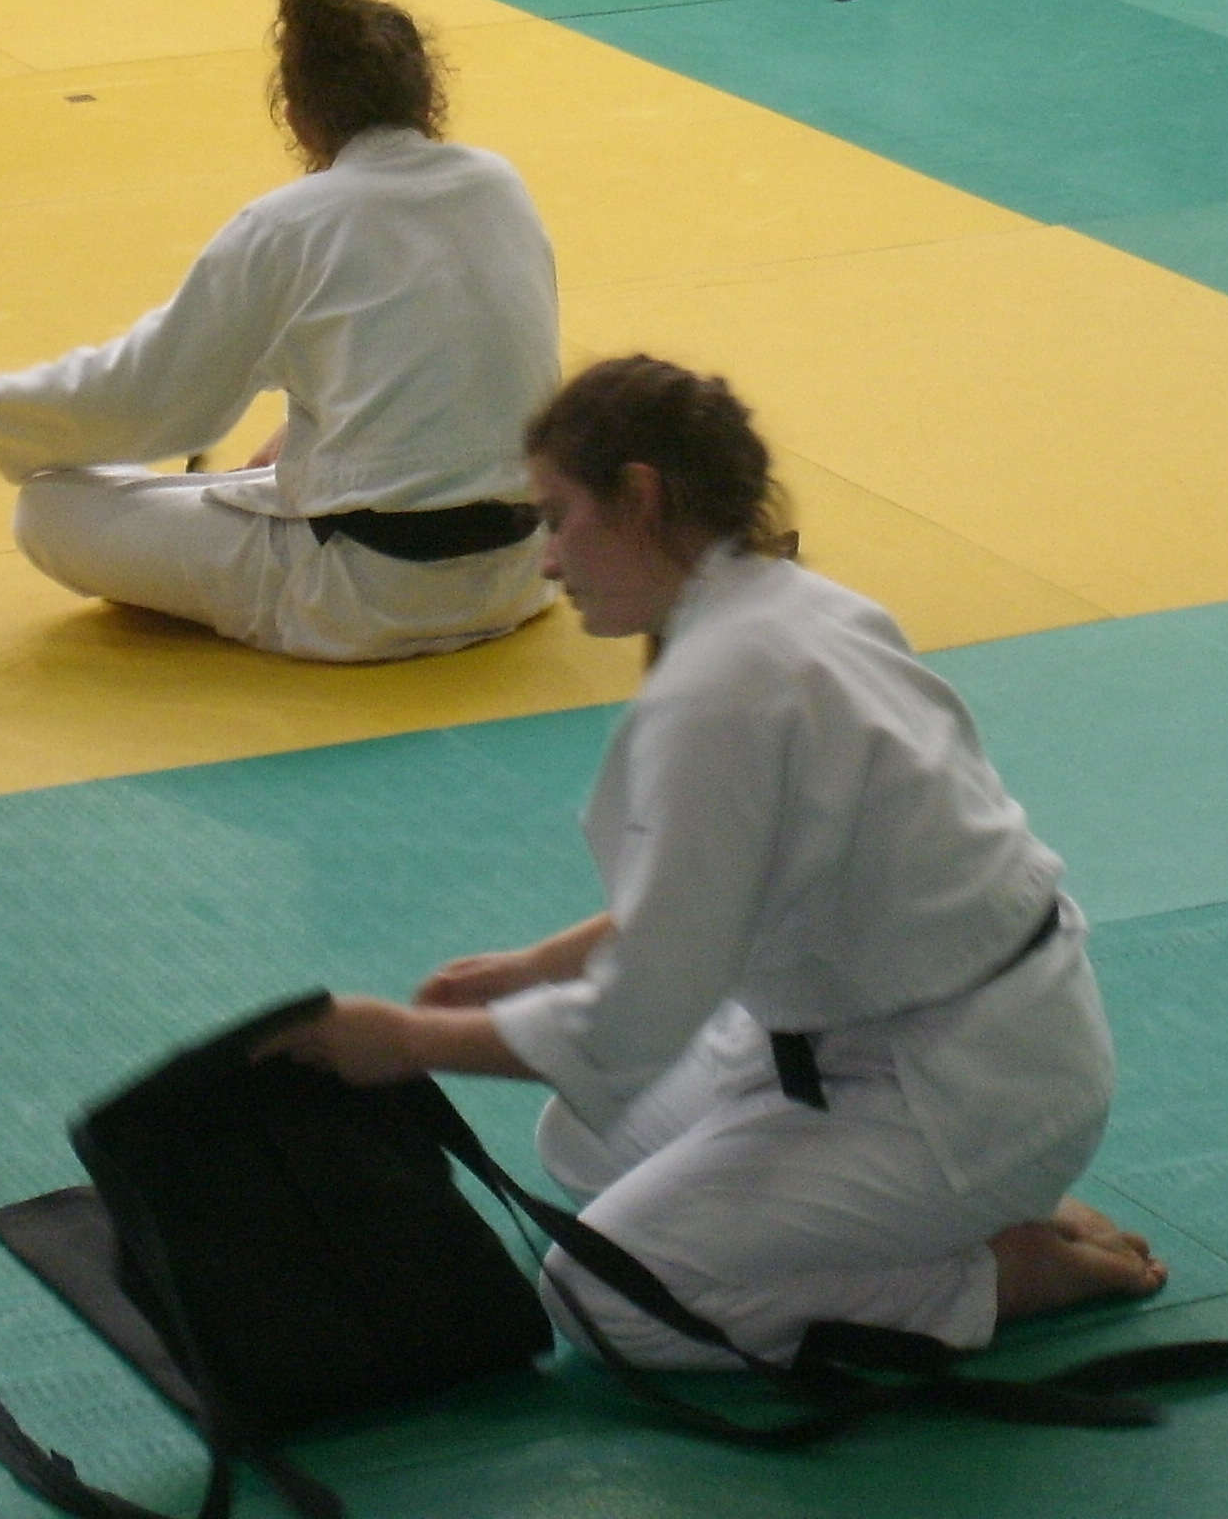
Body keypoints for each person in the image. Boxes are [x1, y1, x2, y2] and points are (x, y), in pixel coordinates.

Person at [265, 356, 1163, 1368]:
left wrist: (404, 1041)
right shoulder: (796, 605)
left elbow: (634, 1021)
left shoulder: (726, 688)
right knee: (581, 1140)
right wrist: (535, 968)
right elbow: (736, 889)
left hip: (952, 1095)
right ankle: (956, 1217)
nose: (547, 561)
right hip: (933, 1040)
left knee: (603, 1297)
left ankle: (991, 1276)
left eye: (558, 519)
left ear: (640, 498)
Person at [0, 0, 555, 662]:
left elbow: (143, 399)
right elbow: (474, 364)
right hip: (525, 570)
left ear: (296, 116)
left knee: (51, 508)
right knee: (246, 482)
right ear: (425, 95)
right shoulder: (499, 184)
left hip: (368, 597)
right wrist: (311, 430)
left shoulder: (286, 224)